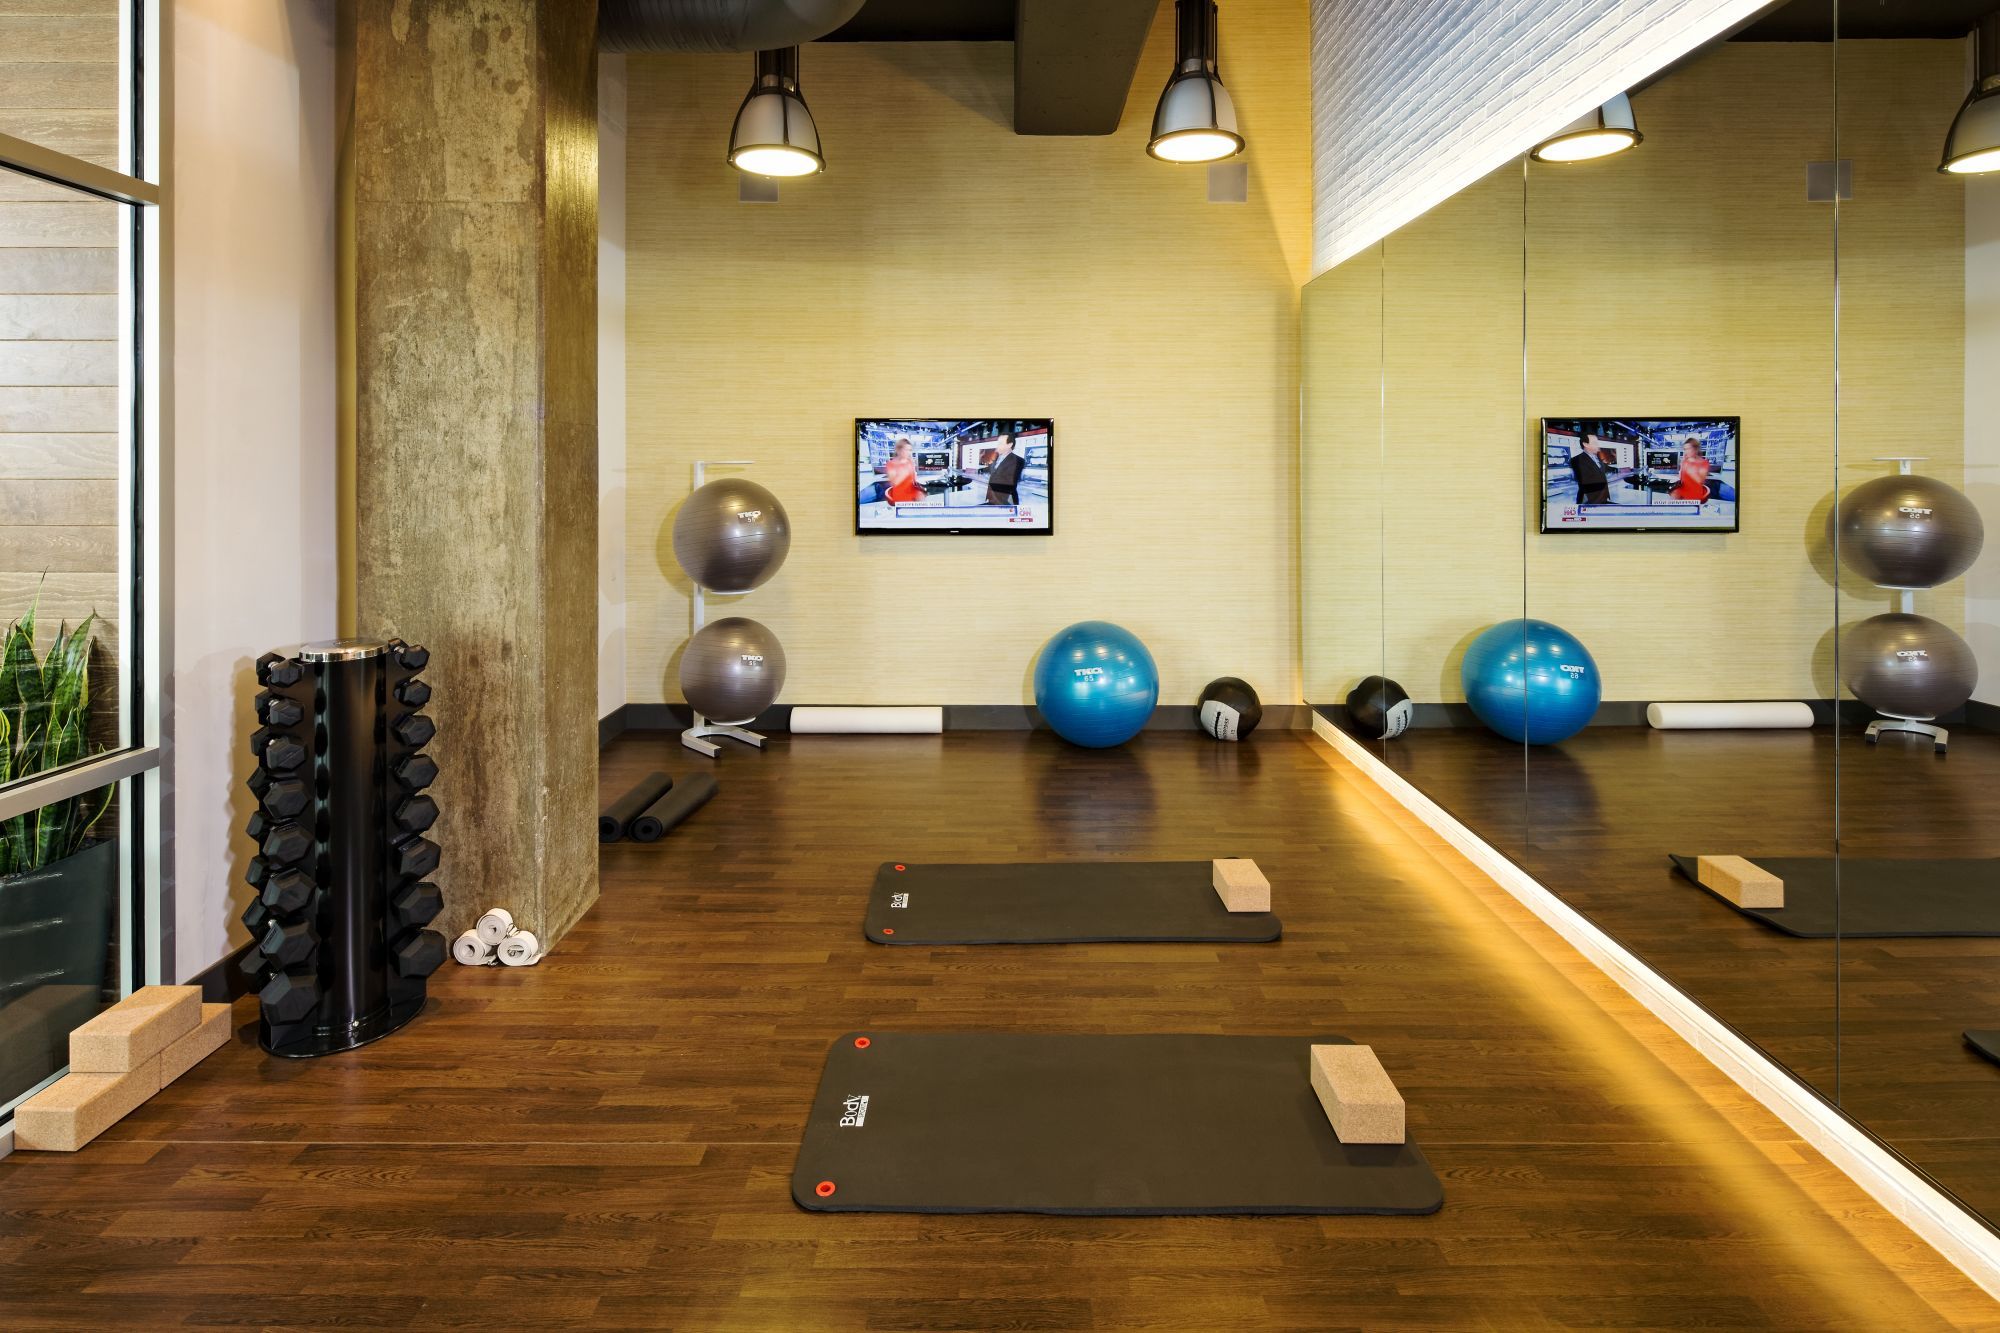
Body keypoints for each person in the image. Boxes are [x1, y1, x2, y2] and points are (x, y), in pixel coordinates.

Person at [1567, 434, 1613, 506]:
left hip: (1602, 499)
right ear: (1585, 444)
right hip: (1589, 500)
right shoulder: (1577, 460)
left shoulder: (1598, 458)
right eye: (1595, 443)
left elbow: (1604, 470)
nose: (1598, 445)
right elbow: (1586, 481)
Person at [984, 434, 1026, 507]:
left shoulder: (1018, 460)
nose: (998, 446)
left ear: (1009, 445)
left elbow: (1009, 482)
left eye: (1000, 443)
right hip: (992, 499)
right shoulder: (996, 459)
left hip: (1005, 501)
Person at [1670, 437, 1710, 502]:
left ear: (1696, 449)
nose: (1686, 452)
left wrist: (1689, 467)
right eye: (1685, 449)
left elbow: (1700, 480)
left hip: (1695, 494)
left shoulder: (1704, 462)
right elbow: (1681, 477)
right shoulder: (1685, 461)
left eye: (1688, 449)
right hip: (1682, 491)